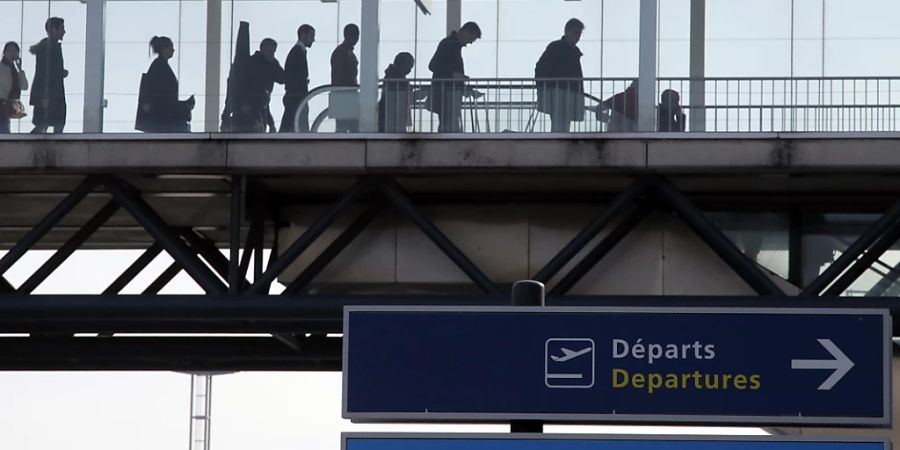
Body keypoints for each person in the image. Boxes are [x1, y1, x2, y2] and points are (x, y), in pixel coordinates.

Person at [428, 21, 481, 133]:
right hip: (446, 93)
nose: (470, 43)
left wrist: (464, 85)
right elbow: (433, 65)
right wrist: (453, 75)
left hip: (448, 93)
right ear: (466, 32)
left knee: (448, 123)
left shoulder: (450, 45)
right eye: (472, 38)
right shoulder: (449, 44)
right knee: (449, 124)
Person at [535, 18, 585, 133]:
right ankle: (559, 145)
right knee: (559, 125)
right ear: (567, 31)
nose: (577, 36)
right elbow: (541, 68)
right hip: (558, 94)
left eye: (579, 33)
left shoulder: (571, 50)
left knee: (563, 126)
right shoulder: (557, 47)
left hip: (567, 94)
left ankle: (560, 145)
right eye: (575, 32)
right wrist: (544, 88)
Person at [135, 36, 194, 133]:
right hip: (161, 119)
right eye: (171, 47)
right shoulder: (159, 67)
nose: (173, 50)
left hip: (161, 117)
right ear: (164, 49)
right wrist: (184, 107)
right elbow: (163, 99)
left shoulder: (159, 66)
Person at [232, 38, 284, 132]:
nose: (272, 53)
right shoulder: (252, 62)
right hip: (247, 107)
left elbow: (282, 79)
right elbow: (240, 85)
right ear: (263, 48)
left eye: (273, 51)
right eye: (270, 51)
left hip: (261, 105)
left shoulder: (271, 64)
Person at [30, 17, 67, 134]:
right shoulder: (48, 48)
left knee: (45, 125)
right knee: (49, 125)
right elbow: (43, 74)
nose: (64, 31)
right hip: (51, 94)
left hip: (52, 94)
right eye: (62, 28)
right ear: (53, 30)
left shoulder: (49, 47)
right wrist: (43, 97)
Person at [280, 24, 315, 133]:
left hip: (295, 97)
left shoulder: (297, 52)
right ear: (303, 35)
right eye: (311, 36)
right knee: (294, 127)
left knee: (291, 126)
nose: (313, 40)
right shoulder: (297, 52)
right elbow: (291, 77)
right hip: (296, 97)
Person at [330, 24, 359, 133]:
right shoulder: (342, 52)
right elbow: (339, 76)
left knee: (347, 128)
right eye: (354, 35)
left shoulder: (345, 52)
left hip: (347, 95)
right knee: (345, 129)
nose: (356, 39)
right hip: (344, 96)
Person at [378, 52, 416, 133]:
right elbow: (403, 96)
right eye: (409, 66)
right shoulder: (396, 79)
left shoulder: (391, 76)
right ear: (403, 64)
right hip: (393, 117)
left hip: (391, 116)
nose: (410, 70)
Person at [0, 42, 29, 134]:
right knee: (4, 131)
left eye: (15, 51)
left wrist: (20, 69)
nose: (12, 54)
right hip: (1, 102)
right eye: (9, 51)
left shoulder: (14, 71)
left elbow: (24, 86)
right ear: (4, 53)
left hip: (7, 105)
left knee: (5, 130)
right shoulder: (1, 67)